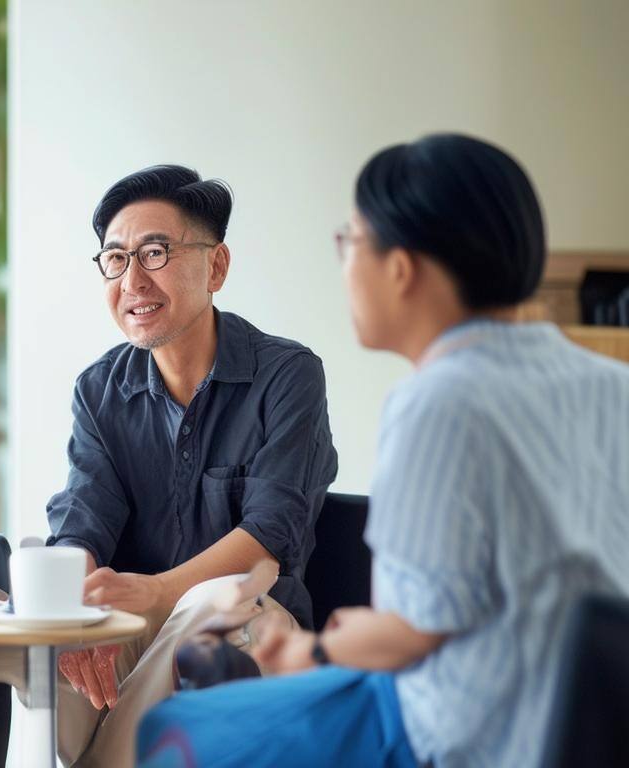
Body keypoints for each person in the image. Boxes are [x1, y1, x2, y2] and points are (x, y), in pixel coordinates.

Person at [138, 134, 629, 767]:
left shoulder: (438, 401)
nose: (346, 264)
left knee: (175, 732)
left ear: (401, 267)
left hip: (461, 726)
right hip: (592, 727)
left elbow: (418, 631)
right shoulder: (612, 385)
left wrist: (311, 652)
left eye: (352, 241)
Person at [40, 164, 339, 767]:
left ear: (217, 267)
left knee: (210, 606)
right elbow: (82, 518)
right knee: (48, 651)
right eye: (116, 259)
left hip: (251, 623)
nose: (132, 279)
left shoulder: (286, 376)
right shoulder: (98, 390)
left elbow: (267, 538)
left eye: (155, 252)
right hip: (133, 620)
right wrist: (71, 604)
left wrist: (158, 593)